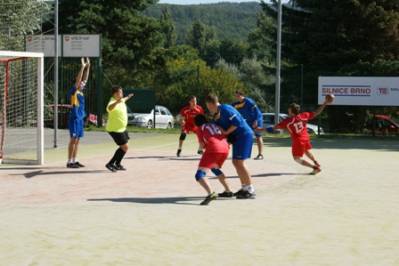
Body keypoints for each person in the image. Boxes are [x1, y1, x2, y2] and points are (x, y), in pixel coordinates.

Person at [205, 94, 256, 199]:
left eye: (208, 106)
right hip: (237, 138)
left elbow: (237, 123)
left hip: (244, 135)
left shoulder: (226, 109)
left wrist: (226, 132)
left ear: (211, 104)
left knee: (240, 162)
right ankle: (244, 188)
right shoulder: (216, 114)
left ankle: (250, 189)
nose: (208, 108)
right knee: (236, 162)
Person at [274, 95, 334, 174]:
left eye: (289, 109)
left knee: (296, 158)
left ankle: (315, 168)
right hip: (305, 138)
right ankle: (316, 162)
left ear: (291, 111)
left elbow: (275, 127)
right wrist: (325, 103)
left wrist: (260, 129)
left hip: (298, 141)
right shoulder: (304, 115)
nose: (288, 110)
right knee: (306, 151)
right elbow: (317, 112)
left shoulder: (288, 121)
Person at [193, 114, 233, 205]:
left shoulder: (200, 128)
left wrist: (199, 150)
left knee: (199, 175)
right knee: (215, 169)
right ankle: (228, 190)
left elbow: (202, 144)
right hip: (225, 148)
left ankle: (211, 193)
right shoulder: (214, 125)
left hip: (214, 149)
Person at [66, 57, 90, 168]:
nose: (82, 83)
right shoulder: (74, 91)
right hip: (74, 118)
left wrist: (88, 67)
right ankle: (69, 161)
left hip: (80, 119)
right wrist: (82, 67)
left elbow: (85, 79)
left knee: (78, 140)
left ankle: (75, 160)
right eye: (80, 82)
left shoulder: (81, 92)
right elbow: (79, 79)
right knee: (73, 139)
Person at [105, 86, 134, 172]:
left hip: (122, 128)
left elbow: (124, 99)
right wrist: (117, 102)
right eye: (120, 92)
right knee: (124, 147)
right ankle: (110, 164)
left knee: (124, 147)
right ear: (115, 94)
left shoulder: (121, 100)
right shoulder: (112, 102)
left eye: (121, 92)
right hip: (115, 129)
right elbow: (109, 108)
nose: (121, 94)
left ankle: (117, 164)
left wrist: (128, 97)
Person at [232, 90, 264, 160]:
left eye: (237, 95)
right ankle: (245, 153)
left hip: (257, 119)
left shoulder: (249, 101)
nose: (236, 97)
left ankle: (260, 154)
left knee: (258, 136)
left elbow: (256, 111)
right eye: (235, 96)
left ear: (241, 95)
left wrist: (256, 121)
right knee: (248, 137)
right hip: (248, 122)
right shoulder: (236, 104)